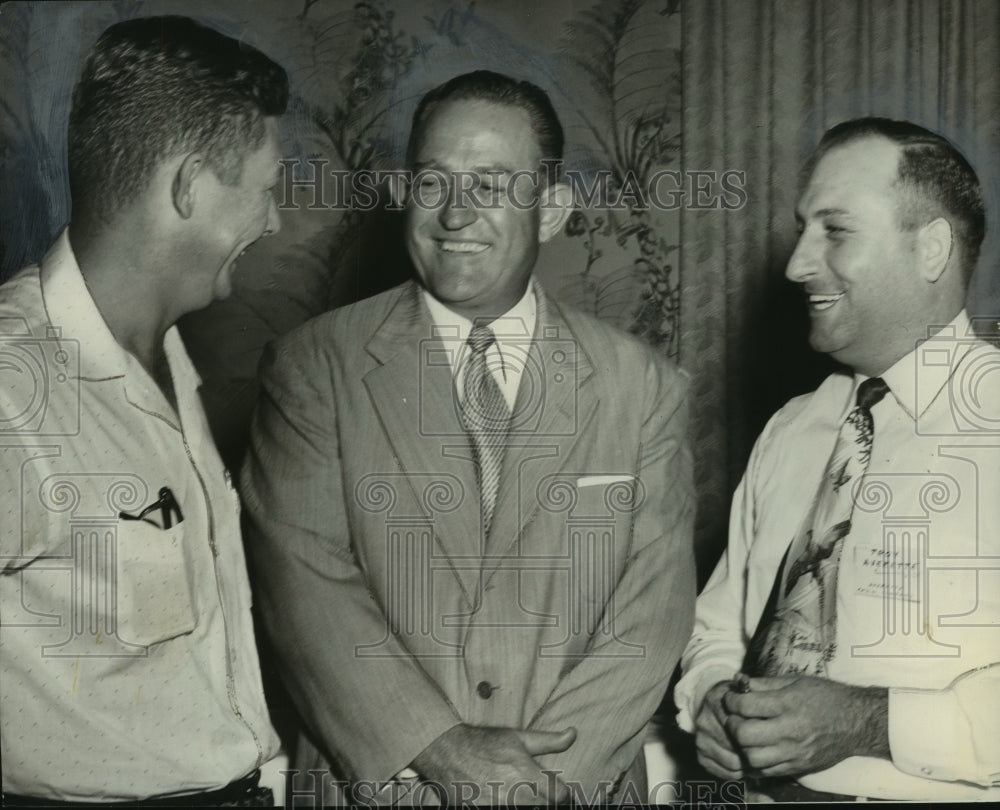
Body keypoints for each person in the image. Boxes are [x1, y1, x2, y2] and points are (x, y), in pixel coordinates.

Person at [242, 70, 695, 805]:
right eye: (432, 182)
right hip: (388, 787)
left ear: (551, 210)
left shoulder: (641, 387)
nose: (455, 214)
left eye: (490, 184)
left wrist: (539, 787)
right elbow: (304, 588)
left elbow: (651, 616)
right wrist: (439, 750)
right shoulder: (314, 365)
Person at [0, 16, 288, 805]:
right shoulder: (13, 388)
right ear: (189, 186)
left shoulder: (167, 356)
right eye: (266, 190)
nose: (274, 221)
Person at [675, 117, 1000, 802]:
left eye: (836, 230)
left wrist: (869, 724)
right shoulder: (794, 428)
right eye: (802, 229)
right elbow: (717, 625)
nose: (796, 264)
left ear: (932, 248)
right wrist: (709, 699)